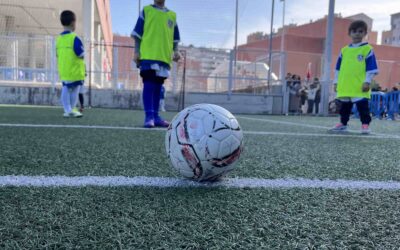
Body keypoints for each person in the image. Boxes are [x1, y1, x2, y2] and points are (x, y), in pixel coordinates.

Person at [131, 0, 181, 128]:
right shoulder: (147, 11)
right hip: (148, 55)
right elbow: (138, 34)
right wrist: (136, 51)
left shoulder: (172, 15)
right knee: (149, 84)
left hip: (164, 58)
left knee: (159, 86)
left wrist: (176, 51)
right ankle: (149, 116)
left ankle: (156, 116)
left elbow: (175, 38)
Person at [329, 20, 378, 134]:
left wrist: (367, 81)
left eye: (360, 31)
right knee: (344, 107)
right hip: (345, 84)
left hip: (359, 85)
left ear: (365, 33)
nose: (357, 34)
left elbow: (371, 68)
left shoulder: (367, 49)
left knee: (362, 107)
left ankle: (365, 125)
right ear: (349, 33)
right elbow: (338, 69)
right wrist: (336, 82)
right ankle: (343, 124)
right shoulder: (344, 50)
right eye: (354, 31)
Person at [56, 10, 84, 118]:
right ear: (73, 23)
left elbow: (57, 54)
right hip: (75, 71)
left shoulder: (58, 40)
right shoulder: (75, 38)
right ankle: (69, 109)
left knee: (66, 88)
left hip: (64, 70)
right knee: (73, 90)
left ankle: (69, 109)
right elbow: (81, 54)